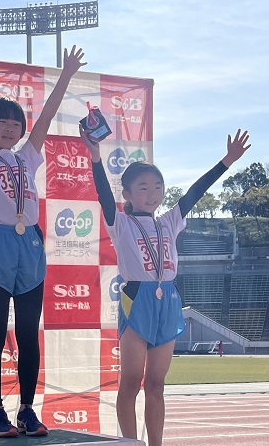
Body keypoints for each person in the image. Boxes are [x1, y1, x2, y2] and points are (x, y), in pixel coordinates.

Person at [78, 127, 251, 446]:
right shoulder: (122, 223)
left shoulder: (169, 221)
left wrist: (226, 162)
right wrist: (95, 157)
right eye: (143, 187)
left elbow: (194, 194)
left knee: (156, 384)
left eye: (157, 186)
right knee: (130, 382)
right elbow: (103, 193)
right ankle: (129, 442)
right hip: (136, 298)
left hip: (168, 299)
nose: (152, 192)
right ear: (127, 194)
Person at [0, 46, 86, 437]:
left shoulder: (27, 157)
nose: (9, 130)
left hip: (30, 244)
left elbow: (46, 117)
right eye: (0, 124)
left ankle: (28, 410)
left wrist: (65, 75)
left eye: (15, 124)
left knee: (29, 332)